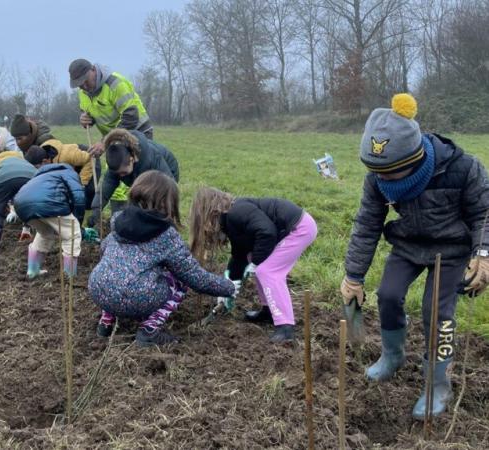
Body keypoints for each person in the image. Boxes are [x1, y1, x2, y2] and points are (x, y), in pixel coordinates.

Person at [340, 93, 489, 420]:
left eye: (391, 173)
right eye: (378, 173)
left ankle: (437, 382)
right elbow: (367, 224)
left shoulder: (462, 168)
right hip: (408, 245)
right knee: (389, 296)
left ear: (415, 157)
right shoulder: (378, 181)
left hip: (451, 250)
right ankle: (392, 356)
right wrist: (353, 275)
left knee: (436, 310)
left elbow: (484, 213)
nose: (384, 181)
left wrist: (483, 254)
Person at [89, 171, 237, 346]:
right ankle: (149, 331)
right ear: (169, 202)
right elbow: (195, 277)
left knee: (113, 272)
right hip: (135, 298)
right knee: (180, 281)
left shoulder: (119, 219)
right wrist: (229, 287)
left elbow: (104, 249)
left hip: (97, 289)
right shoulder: (166, 235)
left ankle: (105, 324)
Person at [189, 188, 317, 343]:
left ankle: (285, 326)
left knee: (267, 271)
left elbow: (267, 232)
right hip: (288, 229)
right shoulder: (230, 222)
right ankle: (269, 311)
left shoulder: (237, 212)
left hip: (299, 228)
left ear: (210, 214)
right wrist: (227, 286)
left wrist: (256, 263)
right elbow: (239, 256)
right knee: (255, 262)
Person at [89, 128, 178, 228]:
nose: (121, 176)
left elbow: (170, 189)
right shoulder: (118, 162)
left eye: (123, 172)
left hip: (166, 172)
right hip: (141, 175)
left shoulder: (150, 160)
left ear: (132, 159)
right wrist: (96, 210)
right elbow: (106, 188)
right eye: (118, 174)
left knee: (155, 203)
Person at [13, 163, 85, 279]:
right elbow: (78, 196)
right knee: (72, 235)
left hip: (20, 206)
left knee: (45, 233)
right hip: (50, 204)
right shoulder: (69, 173)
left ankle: (32, 271)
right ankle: (69, 276)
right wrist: (79, 222)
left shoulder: (40, 176)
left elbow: (29, 196)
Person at [68, 58, 153, 155]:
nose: (85, 87)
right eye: (79, 85)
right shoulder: (83, 92)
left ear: (93, 70)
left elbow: (130, 116)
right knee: (116, 168)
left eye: (86, 80)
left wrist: (105, 141)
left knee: (137, 167)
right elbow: (88, 112)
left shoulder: (116, 84)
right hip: (113, 137)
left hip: (138, 131)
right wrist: (85, 119)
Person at [0, 151, 37, 253]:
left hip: (6, 178)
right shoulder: (24, 162)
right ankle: (32, 234)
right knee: (30, 205)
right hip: (32, 177)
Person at [24, 140, 95, 210]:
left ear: (45, 161)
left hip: (89, 158)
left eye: (37, 168)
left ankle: (90, 212)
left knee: (87, 192)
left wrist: (82, 182)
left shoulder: (67, 156)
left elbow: (89, 159)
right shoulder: (40, 156)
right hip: (73, 166)